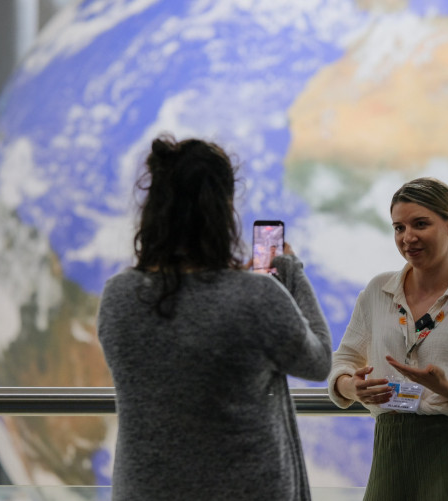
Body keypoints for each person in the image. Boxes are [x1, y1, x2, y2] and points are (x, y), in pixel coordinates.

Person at [97, 135, 332, 501]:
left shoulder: (118, 297)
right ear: (222, 211)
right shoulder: (255, 297)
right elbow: (318, 362)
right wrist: (291, 270)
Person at [327, 177, 448, 500]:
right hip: (391, 450)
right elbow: (343, 362)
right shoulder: (378, 291)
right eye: (398, 228)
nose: (407, 238)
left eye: (420, 224)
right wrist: (351, 387)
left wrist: (447, 388)